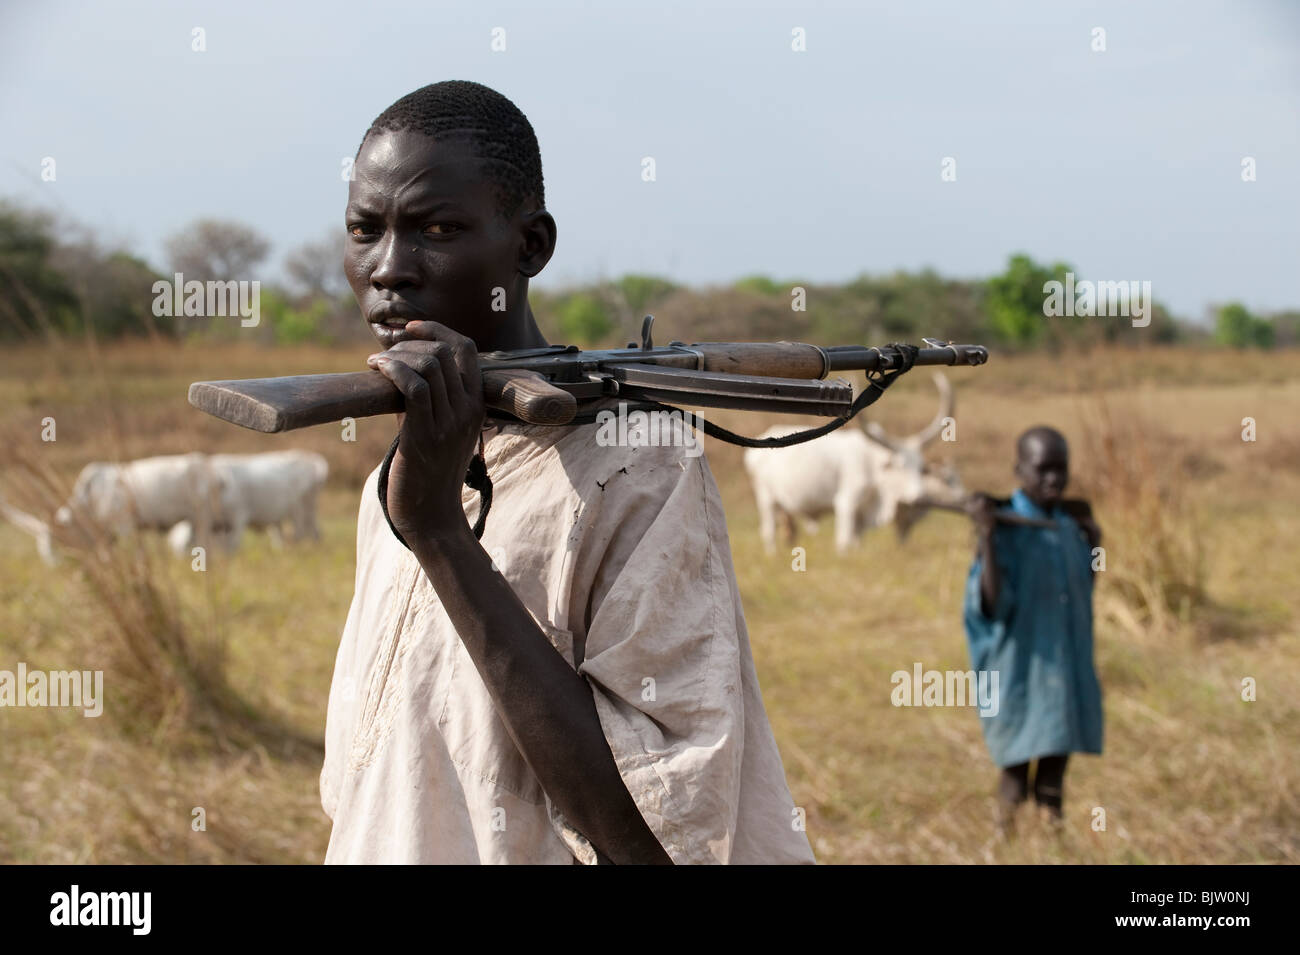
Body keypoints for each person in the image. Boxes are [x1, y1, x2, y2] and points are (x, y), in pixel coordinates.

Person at [319, 80, 815, 865]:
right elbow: (374, 781)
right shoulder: (404, 466)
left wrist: (442, 536)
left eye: (437, 228)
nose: (389, 268)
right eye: (364, 230)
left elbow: (654, 835)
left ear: (529, 245)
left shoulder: (638, 465)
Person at [963, 426, 1104, 834]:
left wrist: (1095, 541)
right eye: (1042, 470)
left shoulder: (1069, 528)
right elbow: (990, 604)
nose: (1054, 480)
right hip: (1018, 675)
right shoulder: (1006, 530)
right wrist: (987, 536)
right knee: (1014, 775)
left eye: (1061, 470)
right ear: (1019, 469)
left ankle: (1051, 843)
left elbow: (1082, 592)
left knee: (1053, 775)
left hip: (1064, 671)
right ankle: (1001, 843)